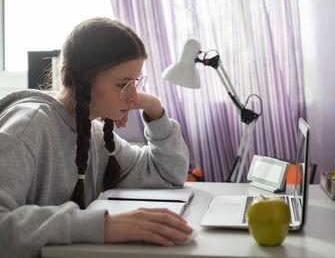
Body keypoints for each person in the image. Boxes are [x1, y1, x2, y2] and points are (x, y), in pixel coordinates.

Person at [0, 17, 193, 258]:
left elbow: (168, 174)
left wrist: (154, 108)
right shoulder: (27, 128)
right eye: (123, 84)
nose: (134, 96)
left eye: (136, 82)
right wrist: (103, 226)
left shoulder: (94, 134)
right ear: (83, 80)